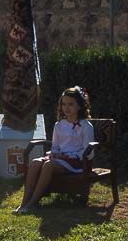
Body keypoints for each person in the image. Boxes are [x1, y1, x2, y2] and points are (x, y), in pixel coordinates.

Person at [15, 85, 95, 214]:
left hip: (77, 162)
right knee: (36, 162)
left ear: (79, 105)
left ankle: (33, 203)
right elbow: (56, 146)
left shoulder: (85, 126)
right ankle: (24, 202)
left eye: (71, 104)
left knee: (48, 165)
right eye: (64, 104)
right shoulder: (59, 125)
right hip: (60, 159)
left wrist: (66, 157)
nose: (66, 108)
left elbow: (88, 151)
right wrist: (54, 154)